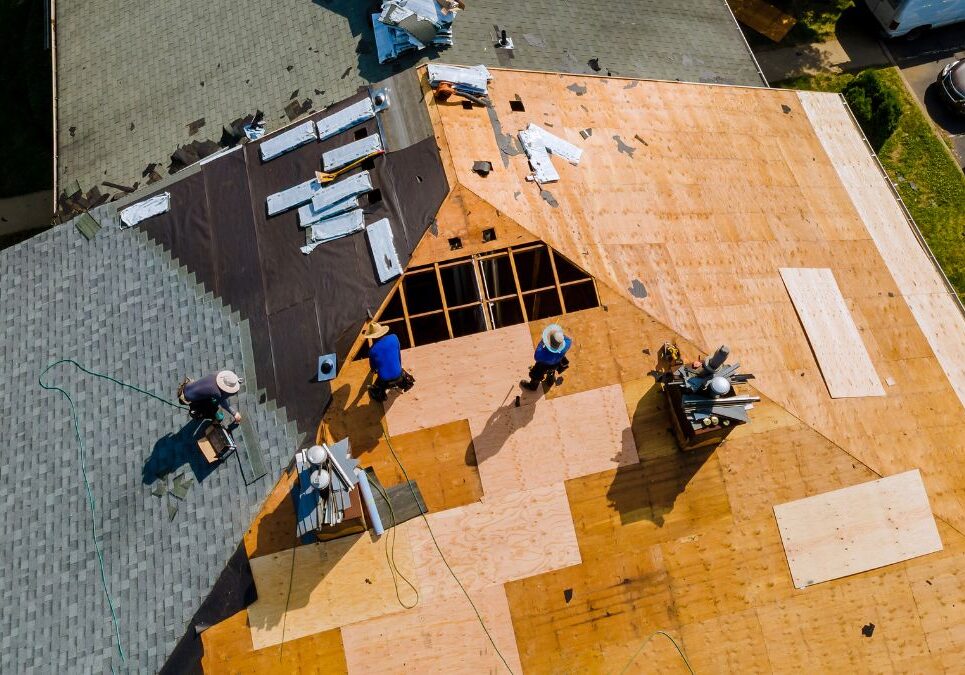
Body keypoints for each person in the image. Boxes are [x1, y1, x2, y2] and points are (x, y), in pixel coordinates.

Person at [365, 321, 415, 402]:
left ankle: (380, 395)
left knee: (375, 388)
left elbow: (374, 368)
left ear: (372, 336)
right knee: (402, 373)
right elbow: (398, 353)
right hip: (399, 376)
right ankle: (406, 384)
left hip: (385, 382)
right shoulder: (394, 337)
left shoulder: (372, 350)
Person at [521, 324, 572, 391]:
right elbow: (566, 338)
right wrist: (557, 336)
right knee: (551, 372)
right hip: (556, 363)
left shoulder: (542, 354)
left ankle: (533, 386)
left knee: (536, 375)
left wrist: (543, 341)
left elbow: (537, 356)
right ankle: (550, 382)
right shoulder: (567, 343)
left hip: (543, 365)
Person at [179, 370, 243, 423]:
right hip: (189, 398)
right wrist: (234, 413)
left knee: (212, 399)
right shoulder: (216, 392)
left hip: (188, 388)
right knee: (215, 412)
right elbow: (223, 403)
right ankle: (215, 419)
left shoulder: (217, 374)